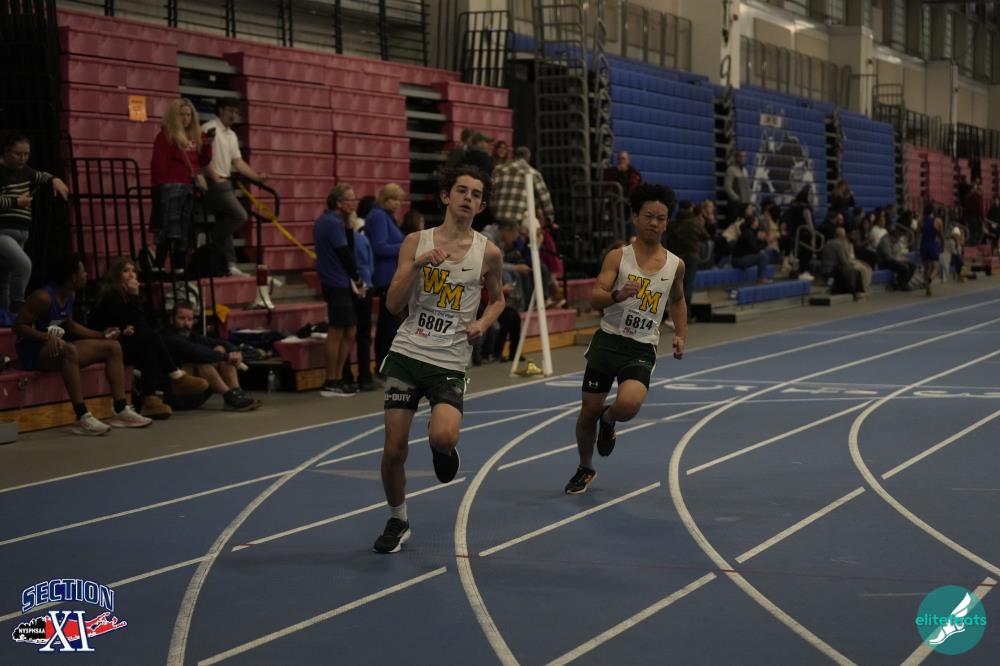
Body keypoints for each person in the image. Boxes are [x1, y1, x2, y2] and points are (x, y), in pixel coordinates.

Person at [373, 165, 505, 553]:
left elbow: (498, 300)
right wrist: (417, 265)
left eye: (476, 194)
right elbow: (393, 303)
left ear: (481, 206)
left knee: (444, 436)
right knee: (394, 449)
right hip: (408, 352)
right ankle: (397, 519)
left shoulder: (488, 253)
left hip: (449, 359)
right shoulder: (416, 241)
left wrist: (482, 323)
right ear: (446, 196)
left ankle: (442, 448)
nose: (468, 198)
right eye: (461, 190)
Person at [565, 183, 687, 495]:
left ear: (667, 223)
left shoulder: (675, 265)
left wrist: (680, 334)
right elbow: (595, 296)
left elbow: (677, 300)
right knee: (587, 411)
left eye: (661, 218)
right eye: (648, 216)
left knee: (629, 405)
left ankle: (609, 419)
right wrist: (616, 295)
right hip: (608, 342)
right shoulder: (618, 257)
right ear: (634, 217)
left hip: (641, 346)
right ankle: (585, 466)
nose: (654, 223)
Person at [13, 255, 152, 435]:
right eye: (83, 271)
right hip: (33, 352)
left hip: (58, 348)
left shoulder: (70, 294)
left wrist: (102, 335)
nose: (87, 275)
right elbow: (18, 326)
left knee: (113, 347)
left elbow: (69, 325)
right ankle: (82, 416)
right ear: (73, 277)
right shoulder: (43, 297)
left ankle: (121, 410)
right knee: (69, 350)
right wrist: (46, 337)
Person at [92, 257, 209, 419]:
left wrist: (132, 307)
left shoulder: (128, 294)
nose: (131, 274)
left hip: (124, 340)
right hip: (106, 343)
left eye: (133, 271)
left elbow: (137, 323)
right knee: (151, 336)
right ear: (116, 274)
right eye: (126, 271)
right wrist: (133, 298)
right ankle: (175, 375)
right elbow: (124, 322)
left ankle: (150, 400)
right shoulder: (111, 294)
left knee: (150, 349)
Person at [0, 130, 70, 315]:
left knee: (5, 275)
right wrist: (17, 202)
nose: (23, 158)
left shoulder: (26, 171)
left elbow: (41, 176)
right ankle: (17, 305)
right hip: (3, 230)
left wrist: (54, 179)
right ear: (6, 151)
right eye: (18, 154)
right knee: (23, 265)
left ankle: (5, 315)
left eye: (26, 154)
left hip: (21, 230)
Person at [201, 99, 268, 277]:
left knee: (226, 221)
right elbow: (201, 157)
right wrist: (214, 177)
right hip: (213, 181)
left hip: (225, 181)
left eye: (236, 112)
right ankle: (210, 239)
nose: (233, 115)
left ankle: (229, 264)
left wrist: (256, 177)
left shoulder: (231, 135)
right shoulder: (208, 128)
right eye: (230, 110)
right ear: (221, 110)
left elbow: (237, 162)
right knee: (239, 215)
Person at [313, 184, 366, 396]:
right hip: (336, 282)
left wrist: (349, 224)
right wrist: (358, 280)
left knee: (350, 330)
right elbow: (345, 254)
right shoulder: (332, 223)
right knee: (337, 330)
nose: (354, 203)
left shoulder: (333, 221)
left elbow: (348, 247)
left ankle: (337, 377)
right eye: (350, 199)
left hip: (339, 281)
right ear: (339, 203)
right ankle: (332, 379)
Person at [150, 98, 213, 271]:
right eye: (182, 115)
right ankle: (159, 266)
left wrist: (208, 145)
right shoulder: (166, 135)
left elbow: (203, 161)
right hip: (171, 189)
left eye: (188, 115)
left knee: (184, 231)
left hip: (188, 189)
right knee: (166, 231)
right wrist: (159, 191)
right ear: (174, 116)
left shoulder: (197, 135)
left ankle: (179, 267)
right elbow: (158, 165)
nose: (186, 119)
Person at [163, 301, 262, 411]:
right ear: (171, 319)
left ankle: (236, 392)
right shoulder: (167, 337)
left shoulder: (192, 336)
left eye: (189, 319)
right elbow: (196, 352)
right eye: (181, 318)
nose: (186, 323)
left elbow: (220, 343)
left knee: (220, 348)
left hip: (197, 392)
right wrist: (226, 356)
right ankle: (229, 396)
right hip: (177, 395)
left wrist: (235, 352)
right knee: (202, 360)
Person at [365, 183, 406, 374]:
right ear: (384, 199)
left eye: (399, 200)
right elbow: (379, 247)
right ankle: (383, 364)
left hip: (392, 275)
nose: (397, 204)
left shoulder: (387, 216)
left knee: (390, 323)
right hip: (384, 276)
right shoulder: (379, 216)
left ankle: (386, 363)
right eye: (393, 199)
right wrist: (404, 246)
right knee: (388, 324)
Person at [340, 210, 378, 391]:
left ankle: (345, 376)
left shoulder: (340, 242)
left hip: (348, 288)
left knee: (346, 333)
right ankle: (365, 377)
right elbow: (370, 265)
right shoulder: (363, 240)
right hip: (365, 287)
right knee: (363, 335)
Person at [662, 200, 707, 310]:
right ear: (690, 208)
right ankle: (685, 313)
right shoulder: (695, 222)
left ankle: (674, 311)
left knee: (677, 285)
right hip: (691, 256)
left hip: (676, 257)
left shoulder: (673, 222)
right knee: (688, 285)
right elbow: (705, 236)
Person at [920, 208, 944, 296]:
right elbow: (941, 236)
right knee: (936, 268)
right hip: (932, 245)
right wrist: (942, 246)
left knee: (926, 268)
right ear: (933, 212)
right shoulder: (938, 221)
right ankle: (929, 280)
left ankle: (928, 289)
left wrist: (916, 247)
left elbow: (917, 235)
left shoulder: (921, 221)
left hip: (923, 245)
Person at [723, 150, 751, 224]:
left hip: (744, 204)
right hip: (735, 204)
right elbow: (727, 187)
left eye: (744, 156)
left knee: (743, 225)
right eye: (740, 156)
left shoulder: (745, 171)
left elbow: (747, 188)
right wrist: (736, 199)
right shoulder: (731, 170)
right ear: (736, 157)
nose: (742, 158)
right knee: (732, 225)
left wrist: (748, 201)